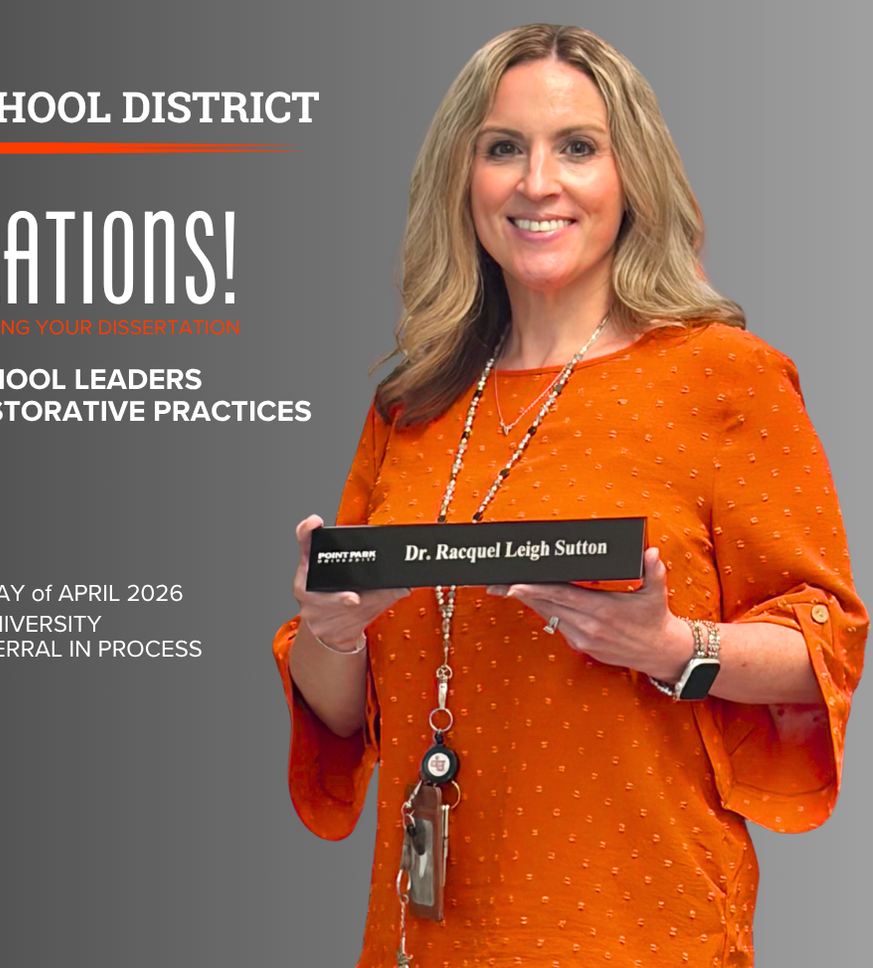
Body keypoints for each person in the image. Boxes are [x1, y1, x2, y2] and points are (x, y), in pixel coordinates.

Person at [272, 24, 864, 967]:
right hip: (426, 936)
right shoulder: (412, 404)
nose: (536, 182)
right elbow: (340, 714)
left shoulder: (724, 378)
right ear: (463, 181)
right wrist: (331, 630)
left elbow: (826, 648)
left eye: (577, 148)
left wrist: (674, 649)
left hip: (639, 925)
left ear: (631, 178)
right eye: (503, 148)